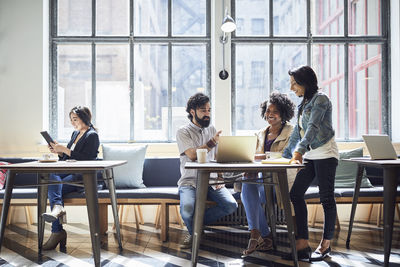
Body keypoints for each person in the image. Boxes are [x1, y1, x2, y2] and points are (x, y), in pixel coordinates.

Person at [282, 66, 338, 261]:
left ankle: (326, 244)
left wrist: (299, 151)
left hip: (326, 155)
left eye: (294, 84)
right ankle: (303, 242)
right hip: (311, 157)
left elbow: (313, 127)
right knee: (295, 194)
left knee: (326, 199)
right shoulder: (303, 103)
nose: (292, 88)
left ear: (305, 83)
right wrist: (285, 154)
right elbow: (299, 132)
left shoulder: (321, 99)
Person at [176, 93, 238, 249]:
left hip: (211, 182)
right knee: (187, 210)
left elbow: (217, 157)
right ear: (192, 112)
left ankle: (194, 228)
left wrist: (220, 179)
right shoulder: (183, 131)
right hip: (190, 182)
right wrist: (211, 142)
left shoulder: (212, 129)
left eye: (209, 110)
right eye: (203, 110)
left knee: (231, 205)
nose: (207, 114)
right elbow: (191, 155)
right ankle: (195, 232)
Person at [241, 92, 295, 257]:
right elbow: (251, 155)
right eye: (268, 110)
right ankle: (256, 233)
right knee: (247, 181)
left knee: (253, 192)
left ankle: (263, 235)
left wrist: (258, 157)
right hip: (262, 179)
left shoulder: (293, 132)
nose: (270, 114)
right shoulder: (260, 134)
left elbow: (287, 155)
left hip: (282, 181)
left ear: (284, 113)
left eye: (275, 111)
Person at [42, 106, 100, 250]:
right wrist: (59, 152)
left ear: (84, 118)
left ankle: (57, 231)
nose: (73, 123)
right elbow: (68, 157)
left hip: (81, 177)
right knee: (51, 175)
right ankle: (58, 209)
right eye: (71, 120)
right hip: (68, 171)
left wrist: (65, 149)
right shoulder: (75, 134)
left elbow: (88, 159)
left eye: (75, 119)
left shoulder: (92, 135)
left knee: (53, 188)